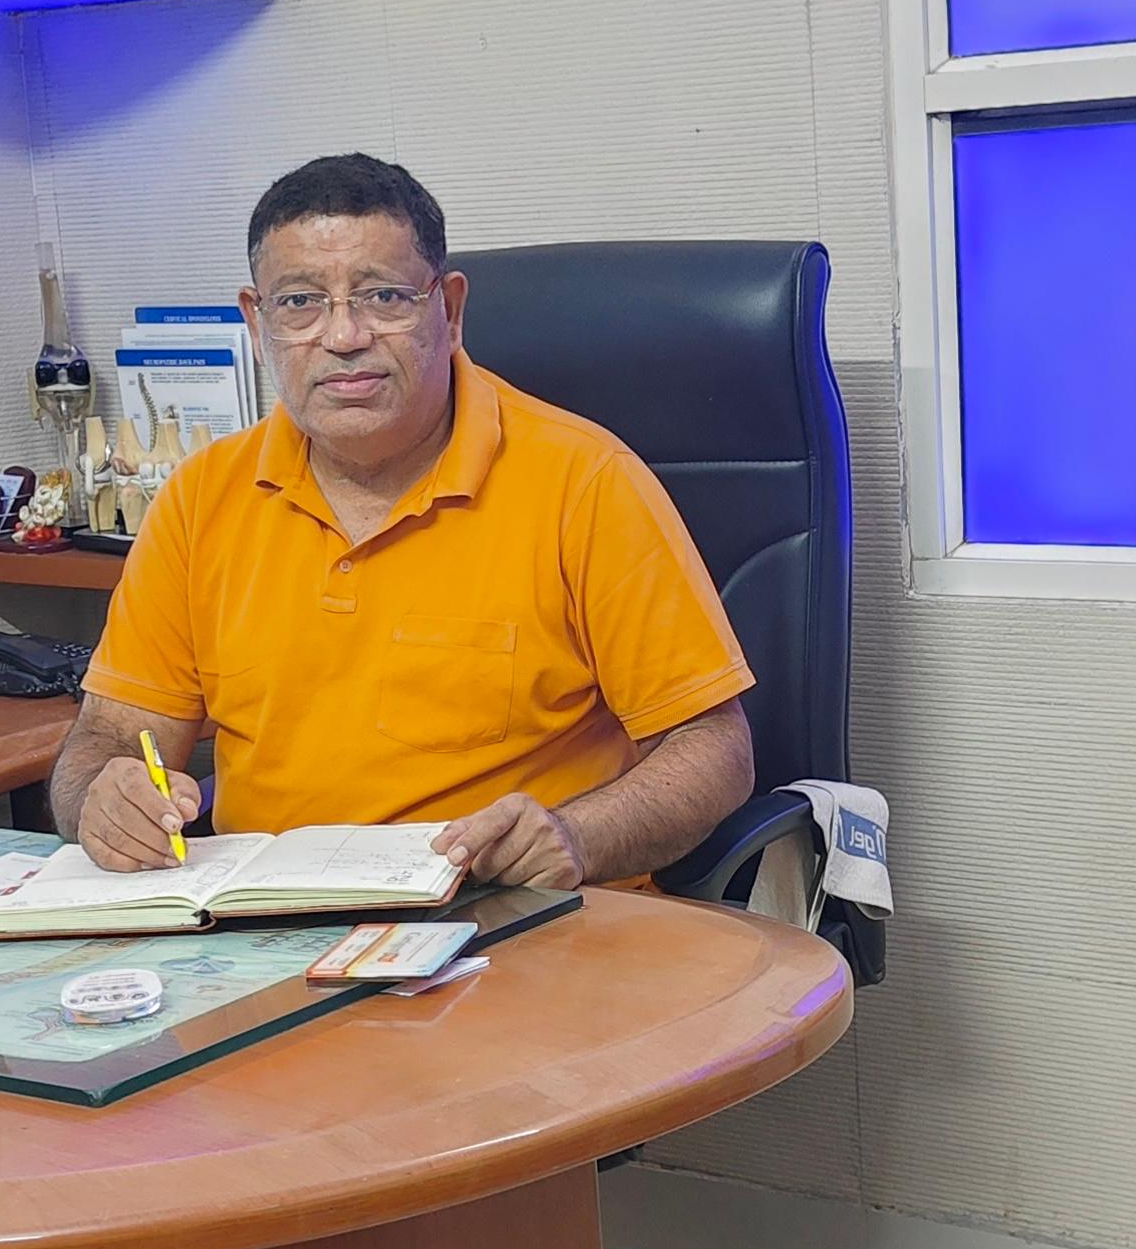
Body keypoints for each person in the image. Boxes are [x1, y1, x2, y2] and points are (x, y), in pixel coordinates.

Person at [51, 152, 755, 892]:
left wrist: (576, 836)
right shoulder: (201, 497)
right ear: (256, 322)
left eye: (383, 297)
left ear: (448, 310)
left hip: (520, 927)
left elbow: (714, 747)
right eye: (300, 303)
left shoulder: (585, 482)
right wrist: (102, 799)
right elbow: (105, 737)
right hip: (269, 935)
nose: (344, 334)